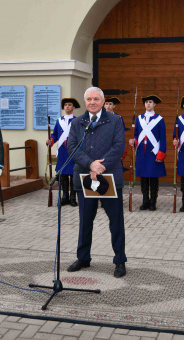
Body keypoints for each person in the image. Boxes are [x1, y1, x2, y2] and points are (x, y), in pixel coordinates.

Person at [67, 87, 127, 278]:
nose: (92, 102)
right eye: (89, 99)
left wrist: (100, 166)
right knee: (85, 220)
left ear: (102, 101)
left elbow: (119, 147)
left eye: (96, 99)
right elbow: (72, 147)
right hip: (85, 178)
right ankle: (83, 257)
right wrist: (90, 164)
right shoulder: (78, 122)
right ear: (85, 101)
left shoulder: (115, 120)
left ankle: (119, 260)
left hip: (109, 178)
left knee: (115, 221)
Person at [130, 95, 167, 211]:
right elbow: (136, 134)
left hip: (153, 152)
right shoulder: (139, 118)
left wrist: (161, 154)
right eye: (146, 102)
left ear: (154, 104)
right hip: (142, 152)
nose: (148, 104)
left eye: (150, 102)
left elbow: (163, 138)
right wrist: (134, 141)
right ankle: (145, 200)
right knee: (144, 178)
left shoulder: (160, 119)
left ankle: (153, 202)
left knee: (154, 178)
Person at [47, 98, 79, 206]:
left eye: (70, 105)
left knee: (73, 174)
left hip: (73, 151)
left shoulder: (77, 121)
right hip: (62, 151)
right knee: (63, 174)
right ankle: (65, 196)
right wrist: (51, 140)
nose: (67, 106)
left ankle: (73, 197)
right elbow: (55, 135)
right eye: (65, 105)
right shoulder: (59, 121)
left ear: (73, 107)